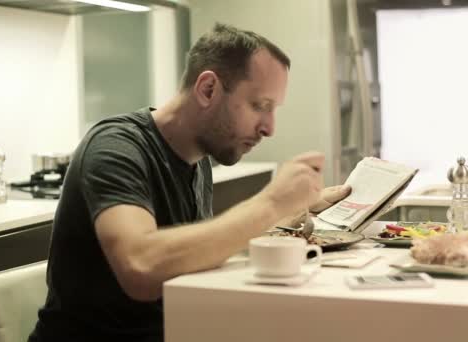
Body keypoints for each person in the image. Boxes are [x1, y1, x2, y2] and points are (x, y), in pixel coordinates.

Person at [29, 23, 351, 342]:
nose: (269, 127)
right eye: (259, 106)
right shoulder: (115, 148)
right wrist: (269, 204)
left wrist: (291, 214)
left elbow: (192, 251)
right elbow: (141, 266)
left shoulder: (198, 161)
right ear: (208, 89)